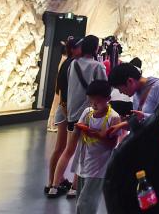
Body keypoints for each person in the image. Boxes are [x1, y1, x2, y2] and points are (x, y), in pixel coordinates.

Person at [52, 34, 107, 199]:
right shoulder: (98, 66)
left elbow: (69, 87)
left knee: (68, 150)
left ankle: (54, 185)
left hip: (72, 113)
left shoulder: (73, 64)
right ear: (96, 48)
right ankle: (74, 188)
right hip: (89, 113)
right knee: (83, 152)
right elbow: (105, 89)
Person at [71, 79, 125, 214]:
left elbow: (112, 143)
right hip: (84, 163)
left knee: (85, 203)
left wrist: (93, 133)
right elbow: (76, 134)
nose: (94, 104)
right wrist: (78, 130)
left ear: (108, 99)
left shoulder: (114, 117)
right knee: (81, 200)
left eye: (98, 101)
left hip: (99, 167)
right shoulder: (87, 112)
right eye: (91, 100)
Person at [45, 36, 80, 198]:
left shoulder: (65, 62)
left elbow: (60, 88)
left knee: (60, 147)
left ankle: (52, 182)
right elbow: (70, 89)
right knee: (70, 148)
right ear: (73, 49)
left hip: (63, 107)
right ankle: (61, 184)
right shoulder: (73, 64)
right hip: (69, 109)